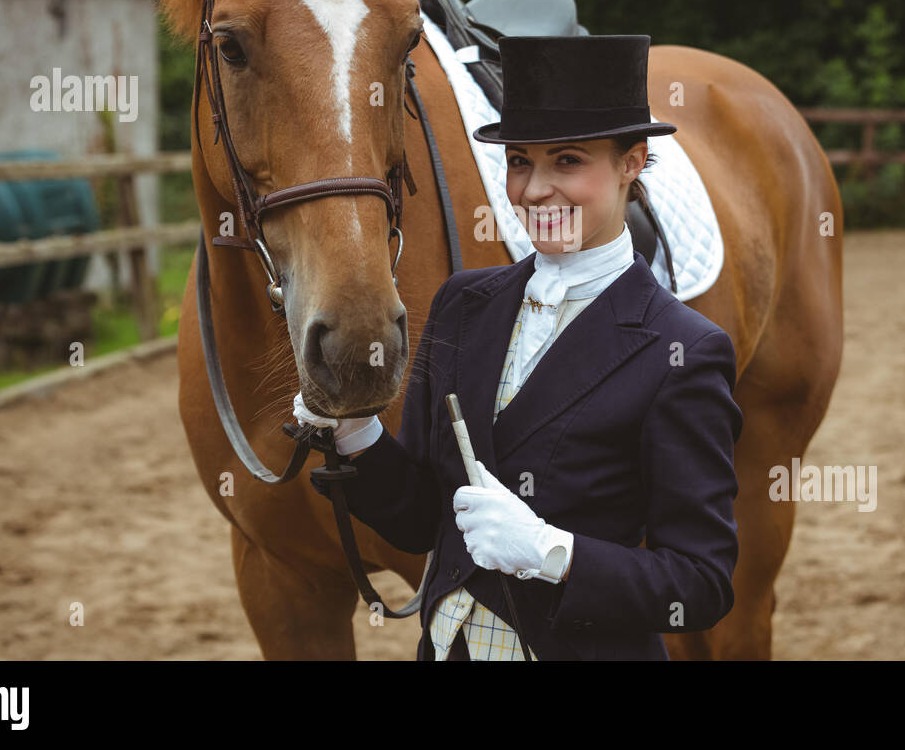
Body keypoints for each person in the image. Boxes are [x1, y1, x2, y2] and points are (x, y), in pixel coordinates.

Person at [307, 34, 742, 660]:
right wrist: (354, 430)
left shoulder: (684, 351)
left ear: (632, 161)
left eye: (567, 161)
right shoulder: (463, 303)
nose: (535, 190)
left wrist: (553, 554)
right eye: (519, 161)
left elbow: (700, 585)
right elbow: (422, 517)